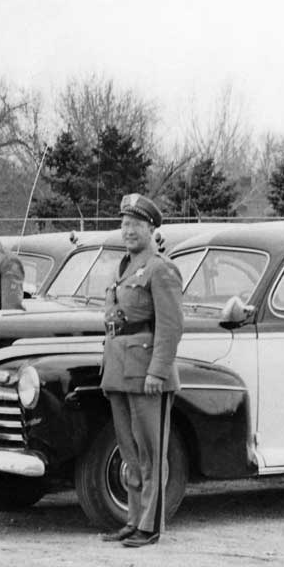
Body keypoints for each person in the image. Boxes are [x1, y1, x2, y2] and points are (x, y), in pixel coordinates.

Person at [99, 193, 184, 548]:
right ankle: (133, 519)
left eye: (136, 224)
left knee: (151, 451)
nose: (128, 230)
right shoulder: (124, 267)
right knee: (129, 450)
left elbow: (171, 325)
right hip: (119, 371)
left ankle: (151, 525)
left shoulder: (160, 269)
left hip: (147, 373)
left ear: (151, 229)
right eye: (124, 224)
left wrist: (158, 372)